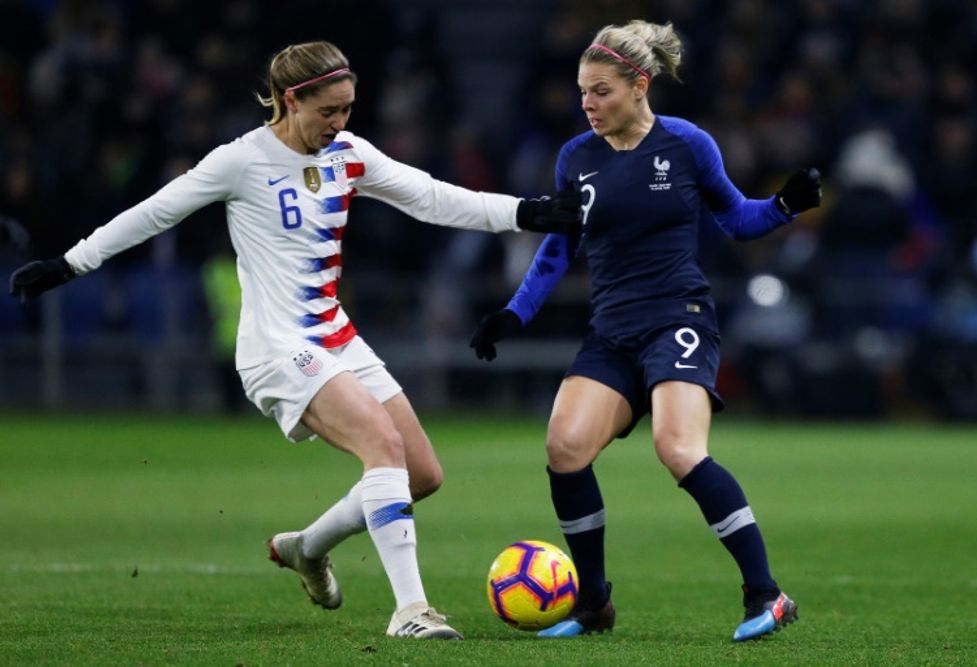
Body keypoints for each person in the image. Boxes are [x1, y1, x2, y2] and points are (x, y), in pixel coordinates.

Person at [9, 40, 581, 640]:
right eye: (328, 111)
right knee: (382, 447)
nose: (339, 124)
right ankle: (412, 612)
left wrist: (526, 213)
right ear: (290, 100)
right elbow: (156, 212)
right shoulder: (240, 160)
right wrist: (69, 265)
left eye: (348, 109)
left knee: (421, 474)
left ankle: (307, 548)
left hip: (337, 337)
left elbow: (433, 197)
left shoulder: (348, 154)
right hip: (276, 348)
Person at [469, 21, 821, 642]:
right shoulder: (576, 156)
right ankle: (594, 603)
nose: (588, 104)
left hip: (679, 318)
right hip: (611, 331)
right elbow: (558, 248)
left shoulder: (687, 144)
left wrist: (784, 207)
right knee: (565, 449)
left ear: (640, 85)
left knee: (678, 448)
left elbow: (736, 220)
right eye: (582, 92)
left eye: (601, 91)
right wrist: (514, 314)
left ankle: (767, 594)